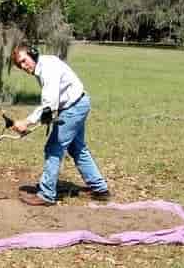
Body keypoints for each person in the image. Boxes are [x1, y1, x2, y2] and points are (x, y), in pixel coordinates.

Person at [10, 44, 110, 206]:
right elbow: (51, 105)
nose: (23, 66)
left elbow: (50, 105)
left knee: (53, 148)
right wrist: (35, 121)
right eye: (20, 65)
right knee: (77, 148)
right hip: (77, 103)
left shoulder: (47, 68)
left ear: (33, 54)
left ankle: (46, 194)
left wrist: (26, 122)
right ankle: (100, 189)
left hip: (74, 107)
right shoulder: (42, 67)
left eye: (23, 60)